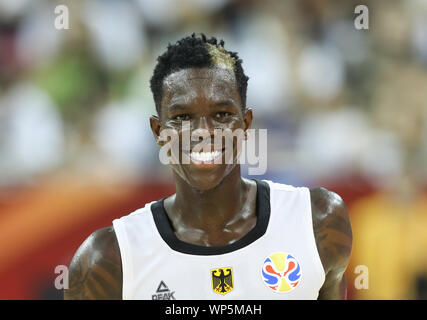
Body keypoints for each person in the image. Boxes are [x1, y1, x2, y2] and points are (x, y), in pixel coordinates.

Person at [64, 34, 352, 300]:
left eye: (222, 114)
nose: (203, 132)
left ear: (246, 125)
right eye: (183, 117)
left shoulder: (317, 220)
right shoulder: (109, 259)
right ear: (158, 131)